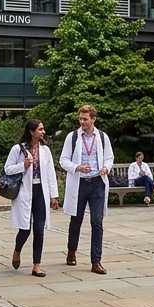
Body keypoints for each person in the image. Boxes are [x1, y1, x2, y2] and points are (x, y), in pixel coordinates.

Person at [59, 104, 114, 274]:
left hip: (97, 183)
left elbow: (109, 157)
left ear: (93, 119)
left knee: (97, 222)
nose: (82, 122)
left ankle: (96, 261)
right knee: (76, 221)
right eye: (80, 119)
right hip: (80, 183)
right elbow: (63, 160)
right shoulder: (73, 137)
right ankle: (71, 251)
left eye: (85, 119)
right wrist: (77, 167)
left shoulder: (102, 137)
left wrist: (106, 167)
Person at [4, 119, 58, 278]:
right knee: (25, 229)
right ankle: (17, 250)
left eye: (43, 129)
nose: (43, 132)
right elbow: (7, 169)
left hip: (40, 191)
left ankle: (36, 266)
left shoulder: (45, 150)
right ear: (32, 132)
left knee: (39, 229)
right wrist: (23, 165)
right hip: (24, 193)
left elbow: (50, 173)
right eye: (40, 129)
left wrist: (53, 196)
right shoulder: (18, 150)